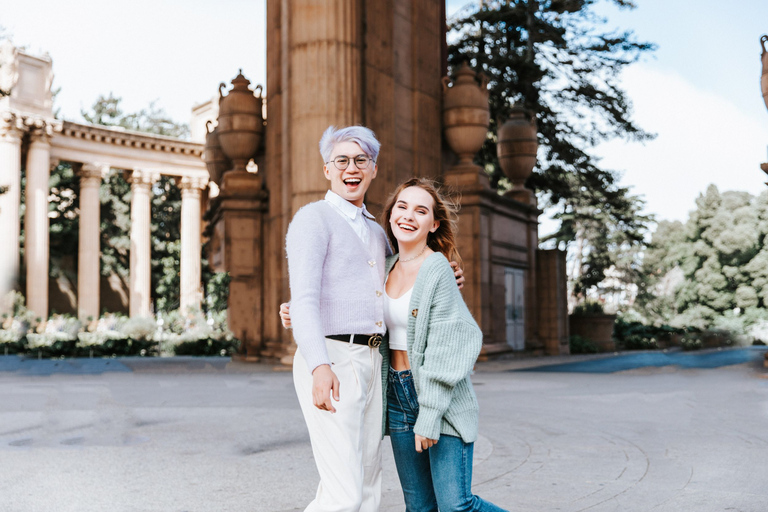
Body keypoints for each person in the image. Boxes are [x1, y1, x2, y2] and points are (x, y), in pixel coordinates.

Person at [381, 177, 508, 512]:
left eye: (420, 210)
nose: (408, 215)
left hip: (441, 398)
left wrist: (430, 413)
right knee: (420, 507)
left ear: (433, 223)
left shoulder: (437, 267)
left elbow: (449, 343)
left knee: (456, 505)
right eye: (402, 206)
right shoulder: (384, 268)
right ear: (391, 214)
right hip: (398, 395)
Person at [285, 125, 390, 512]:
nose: (352, 167)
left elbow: (394, 284)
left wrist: (447, 272)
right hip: (331, 358)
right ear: (327, 169)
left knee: (367, 479)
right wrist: (318, 365)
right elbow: (305, 297)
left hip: (372, 360)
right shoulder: (313, 219)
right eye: (342, 160)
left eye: (361, 160)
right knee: (344, 488)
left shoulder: (378, 233)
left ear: (373, 169)